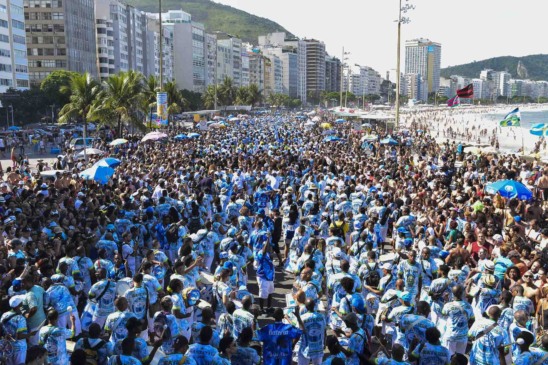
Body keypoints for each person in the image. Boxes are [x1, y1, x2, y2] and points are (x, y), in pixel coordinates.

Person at [441, 285, 474, 356]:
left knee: (449, 357)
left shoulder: (448, 305)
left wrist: (446, 301)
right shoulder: (468, 306)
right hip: (463, 336)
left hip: (450, 335)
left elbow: (443, 313)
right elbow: (472, 320)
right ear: (462, 293)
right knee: (460, 358)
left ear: (452, 293)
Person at [1, 295, 35, 365]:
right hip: (19, 349)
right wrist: (31, 334)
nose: (22, 305)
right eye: (21, 304)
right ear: (18, 306)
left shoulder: (4, 315)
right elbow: (19, 336)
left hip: (7, 347)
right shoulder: (20, 318)